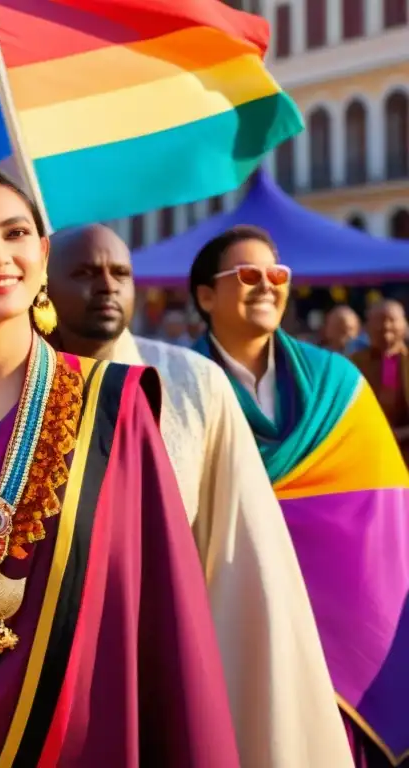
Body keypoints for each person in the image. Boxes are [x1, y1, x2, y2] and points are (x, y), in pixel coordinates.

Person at [0, 167, 239, 767]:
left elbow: (164, 595)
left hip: (80, 729)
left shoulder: (116, 401)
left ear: (42, 253)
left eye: (15, 234)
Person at [47, 225, 352, 768]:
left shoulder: (192, 382)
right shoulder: (12, 390)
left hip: (172, 652)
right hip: (54, 666)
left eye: (119, 273)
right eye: (84, 273)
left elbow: (243, 554)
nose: (107, 287)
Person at [189, 225, 409, 768]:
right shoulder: (174, 385)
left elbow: (383, 506)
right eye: (247, 275)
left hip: (341, 614)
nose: (266, 286)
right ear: (205, 296)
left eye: (277, 275)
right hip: (230, 607)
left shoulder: (339, 383)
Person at [352, 299, 409, 463]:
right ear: (366, 327)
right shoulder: (353, 363)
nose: (386, 326)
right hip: (367, 449)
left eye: (392, 320)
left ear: (404, 325)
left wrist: (400, 433)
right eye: (378, 320)